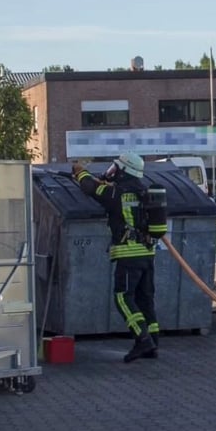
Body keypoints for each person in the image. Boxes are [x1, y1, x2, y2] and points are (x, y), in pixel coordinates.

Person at [72, 152, 161, 363]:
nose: (113, 171)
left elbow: (90, 189)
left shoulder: (116, 194)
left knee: (123, 297)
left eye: (116, 168)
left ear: (124, 170)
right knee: (145, 299)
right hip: (147, 253)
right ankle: (153, 343)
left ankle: (142, 338)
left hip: (128, 255)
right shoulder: (144, 191)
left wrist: (80, 171)